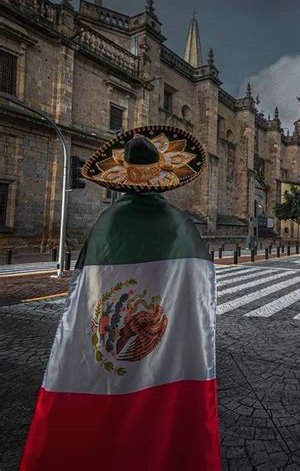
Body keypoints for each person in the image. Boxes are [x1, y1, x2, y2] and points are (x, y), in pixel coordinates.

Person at [20, 125, 221, 471]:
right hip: (168, 362)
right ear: (162, 175)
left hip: (111, 352)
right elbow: (199, 297)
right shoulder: (183, 226)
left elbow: (85, 296)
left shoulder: (107, 224)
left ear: (122, 177)